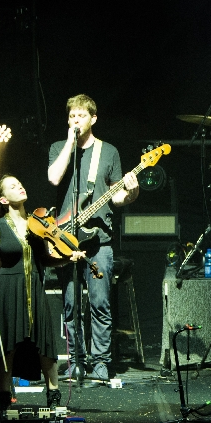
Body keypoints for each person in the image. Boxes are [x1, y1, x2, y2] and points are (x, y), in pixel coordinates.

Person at [45, 94, 139, 383]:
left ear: (93, 119)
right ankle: (76, 360)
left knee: (100, 304)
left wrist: (132, 192)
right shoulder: (59, 147)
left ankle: (101, 362)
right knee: (71, 306)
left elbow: (117, 196)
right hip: (65, 239)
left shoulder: (108, 152)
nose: (75, 120)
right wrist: (70, 144)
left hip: (99, 241)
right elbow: (54, 178)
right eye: (71, 116)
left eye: (81, 116)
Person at [0, 175, 77, 411]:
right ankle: (4, 396)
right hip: (8, 289)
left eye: (20, 183)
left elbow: (45, 259)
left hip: (35, 288)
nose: (20, 187)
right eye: (13, 186)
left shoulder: (37, 225)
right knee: (8, 346)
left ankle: (53, 394)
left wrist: (68, 257)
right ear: (3, 199)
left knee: (44, 343)